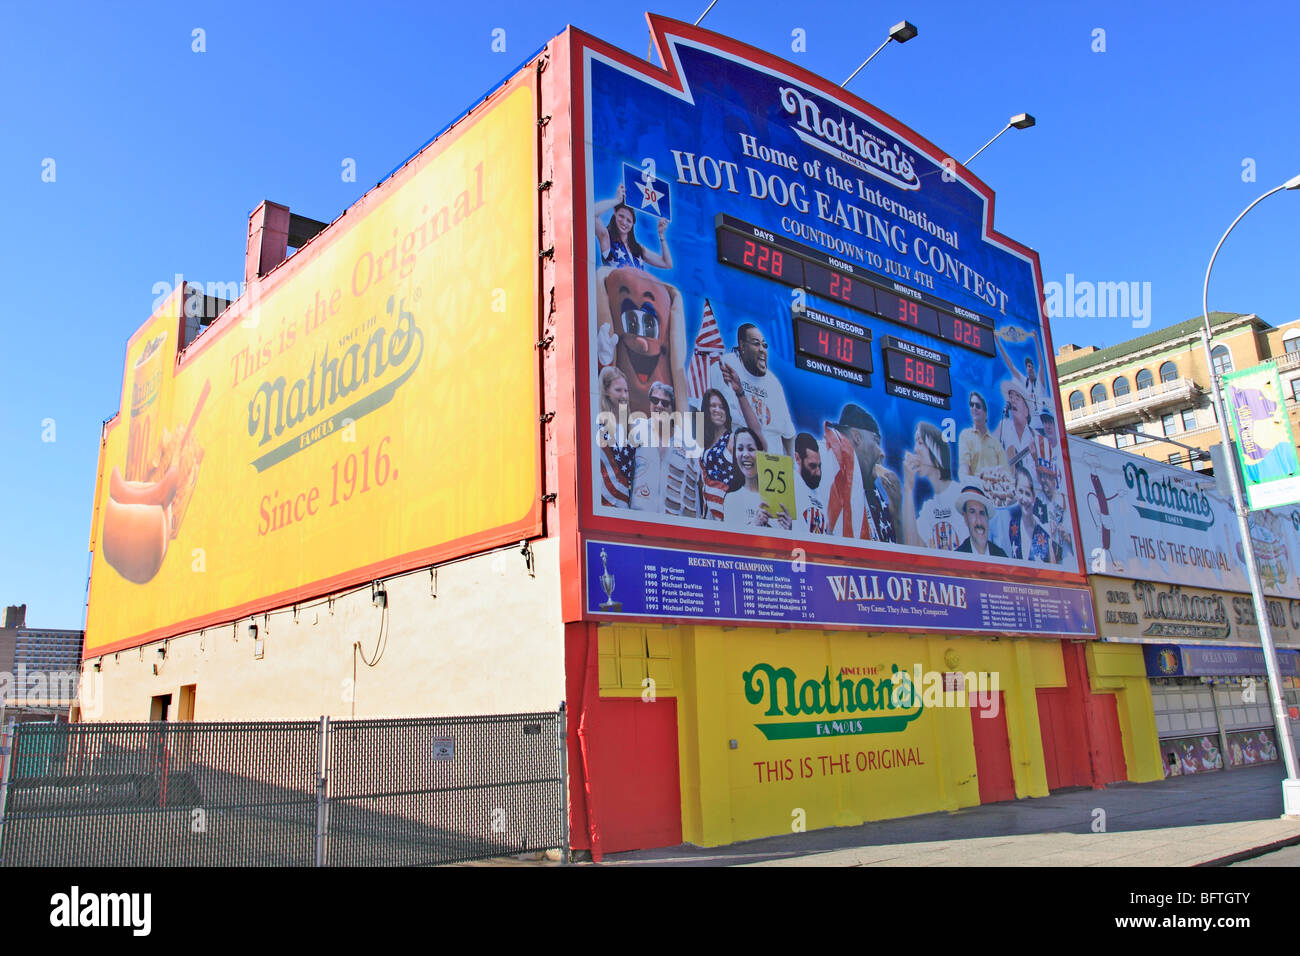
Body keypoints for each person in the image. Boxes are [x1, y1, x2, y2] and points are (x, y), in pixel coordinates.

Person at [708, 323, 795, 457]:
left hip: (770, 464)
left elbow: (788, 433)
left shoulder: (773, 383)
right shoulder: (726, 366)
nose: (762, 349)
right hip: (735, 458)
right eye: (756, 344)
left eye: (764, 345)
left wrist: (792, 468)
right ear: (742, 346)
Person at [824, 404, 901, 543]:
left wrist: (897, 512)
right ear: (857, 437)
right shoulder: (827, 473)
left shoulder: (874, 496)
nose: (882, 453)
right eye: (876, 441)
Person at [630, 382, 703, 518]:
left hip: (675, 524)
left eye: (665, 403)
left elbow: (698, 485)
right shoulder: (636, 431)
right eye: (655, 400)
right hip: (639, 519)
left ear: (672, 408)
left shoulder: (688, 443)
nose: (659, 406)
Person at [902, 421, 961, 551]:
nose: (915, 449)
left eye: (920, 442)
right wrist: (908, 488)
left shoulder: (962, 494)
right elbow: (912, 548)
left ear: (937, 450)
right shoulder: (928, 509)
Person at [723, 427, 791, 530]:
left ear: (761, 454)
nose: (745, 455)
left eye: (751, 449)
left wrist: (789, 529)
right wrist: (755, 524)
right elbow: (731, 539)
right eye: (740, 449)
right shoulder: (732, 499)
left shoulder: (779, 500)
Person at [592, 182, 671, 270]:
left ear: (633, 224)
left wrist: (661, 235)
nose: (624, 222)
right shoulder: (606, 238)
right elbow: (591, 214)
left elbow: (667, 263)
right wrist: (616, 201)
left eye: (629, 220)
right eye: (621, 216)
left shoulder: (638, 249)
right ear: (615, 214)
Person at [596, 366, 634, 509]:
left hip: (628, 505)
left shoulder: (633, 427)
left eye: (626, 391)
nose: (624, 396)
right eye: (618, 390)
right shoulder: (597, 426)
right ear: (606, 391)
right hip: (605, 505)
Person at [998, 463, 1049, 562]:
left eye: (1027, 494)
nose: (1023, 499)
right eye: (1020, 491)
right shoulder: (1012, 525)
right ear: (1016, 491)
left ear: (1034, 497)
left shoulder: (1044, 532)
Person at [996, 327, 1049, 417]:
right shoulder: (1024, 381)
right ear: (1026, 369)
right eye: (1028, 366)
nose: (1031, 368)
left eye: (1032, 366)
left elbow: (1041, 363)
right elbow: (1010, 365)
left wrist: (1036, 340)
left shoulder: (1040, 382)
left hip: (1042, 419)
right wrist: (997, 341)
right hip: (1031, 421)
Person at [699, 388, 735, 520]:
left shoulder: (732, 439)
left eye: (722, 407)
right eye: (713, 406)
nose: (718, 410)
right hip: (707, 515)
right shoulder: (705, 443)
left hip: (727, 515)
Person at [957, 390, 1007, 480]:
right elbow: (964, 466)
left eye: (978, 406)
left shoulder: (996, 444)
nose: (974, 408)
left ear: (986, 413)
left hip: (992, 491)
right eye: (971, 405)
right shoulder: (965, 435)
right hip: (974, 489)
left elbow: (1005, 471)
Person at [954, 485, 1008, 557]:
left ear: (987, 518)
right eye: (972, 512)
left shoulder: (1000, 555)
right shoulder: (958, 557)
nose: (979, 521)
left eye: (982, 513)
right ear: (965, 518)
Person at [996, 380, 1037, 469]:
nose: (1012, 401)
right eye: (1011, 397)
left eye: (1017, 398)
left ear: (1027, 411)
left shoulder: (1035, 436)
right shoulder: (1004, 425)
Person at [793, 432, 828, 534]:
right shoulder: (789, 486)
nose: (818, 472)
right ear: (798, 458)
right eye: (812, 466)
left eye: (819, 466)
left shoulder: (821, 491)